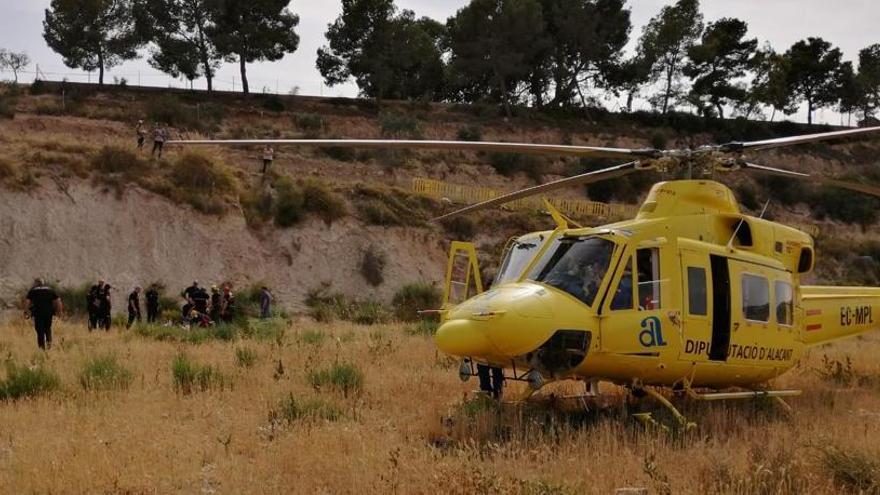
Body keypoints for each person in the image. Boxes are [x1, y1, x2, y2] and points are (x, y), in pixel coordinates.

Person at [25, 279, 62, 350]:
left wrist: (26, 311)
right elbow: (58, 301)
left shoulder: (33, 291)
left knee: (40, 331)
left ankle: (42, 349)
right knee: (48, 329)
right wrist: (59, 311)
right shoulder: (50, 290)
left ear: (36, 283)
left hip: (38, 313)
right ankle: (49, 346)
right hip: (49, 314)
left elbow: (27, 301)